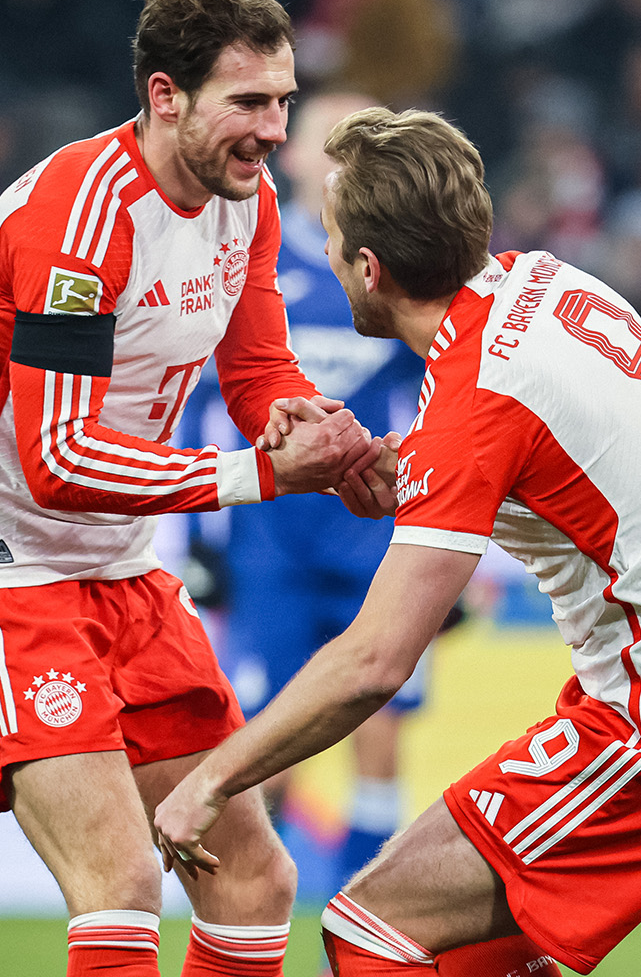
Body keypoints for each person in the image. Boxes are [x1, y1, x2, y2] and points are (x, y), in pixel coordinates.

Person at [153, 108, 641, 976]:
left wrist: (211, 781)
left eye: (328, 238)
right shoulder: (543, 284)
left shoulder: (476, 396)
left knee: (371, 931)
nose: (321, 257)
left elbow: (372, 663)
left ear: (369, 267)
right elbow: (551, 461)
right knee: (482, 958)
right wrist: (405, 471)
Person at [0, 0, 376, 977]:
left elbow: (258, 369)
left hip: (121, 571)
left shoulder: (244, 201)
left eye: (283, 101)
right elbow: (60, 456)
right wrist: (262, 474)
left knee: (250, 873)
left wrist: (316, 433)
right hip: (5, 571)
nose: (276, 132)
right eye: (249, 101)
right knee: (121, 878)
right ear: (165, 97)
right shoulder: (78, 220)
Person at [191, 89, 431, 891]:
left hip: (372, 533)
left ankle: (368, 892)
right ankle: (249, 888)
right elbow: (202, 404)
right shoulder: (249, 257)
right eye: (323, 137)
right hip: (273, 539)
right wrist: (200, 539)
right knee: (268, 721)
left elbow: (445, 398)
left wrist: (453, 529)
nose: (333, 153)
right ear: (288, 152)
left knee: (382, 715)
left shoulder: (395, 266)